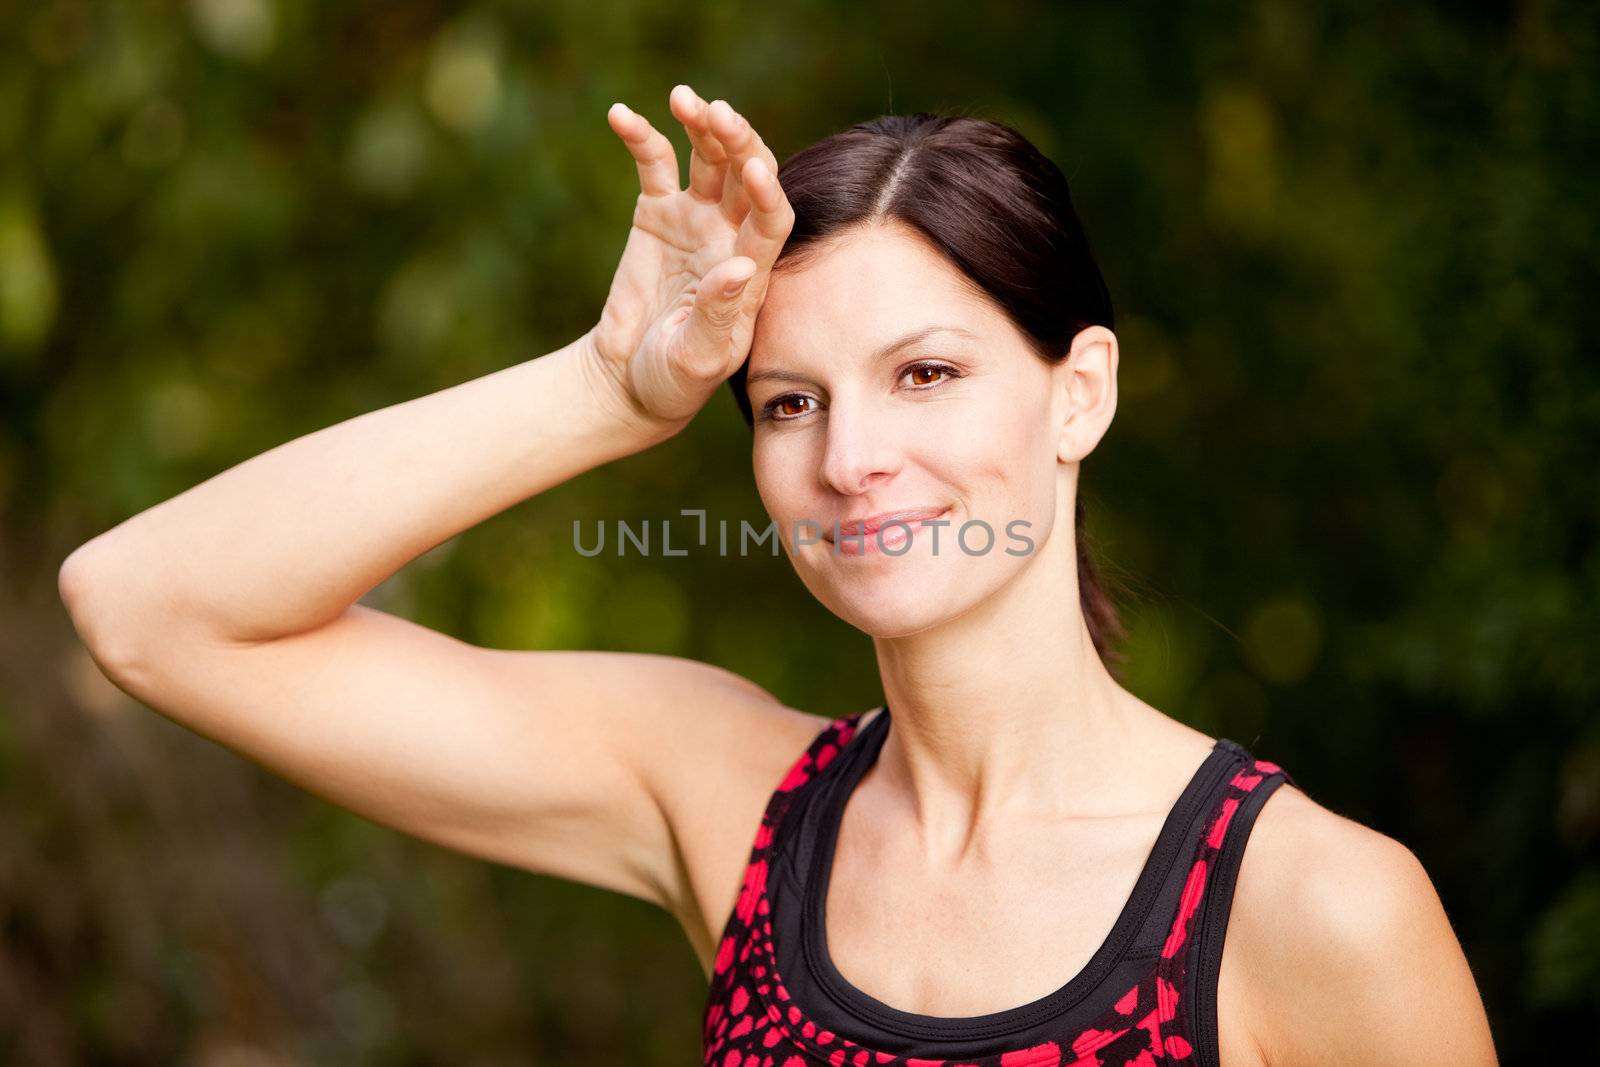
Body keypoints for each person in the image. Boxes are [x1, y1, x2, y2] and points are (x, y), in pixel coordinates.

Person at [58, 85, 1498, 1066]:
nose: (851, 456)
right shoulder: (734, 804)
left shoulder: (1315, 906)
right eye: (791, 401)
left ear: (1081, 395)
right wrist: (605, 393)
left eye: (924, 374)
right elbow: (149, 608)